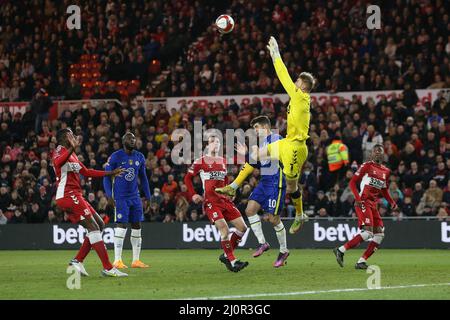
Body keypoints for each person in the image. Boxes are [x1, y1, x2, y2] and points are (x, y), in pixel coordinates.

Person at [253, 36, 314, 234]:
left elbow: (283, 76)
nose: (294, 82)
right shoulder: (298, 98)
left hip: (296, 147)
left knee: (291, 186)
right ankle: (234, 186)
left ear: (303, 85)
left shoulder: (300, 95)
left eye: (298, 81)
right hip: (287, 142)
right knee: (257, 155)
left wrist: (275, 55)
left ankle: (299, 213)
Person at [215, 115, 289, 267]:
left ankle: (283, 250)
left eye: (256, 127)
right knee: (250, 210)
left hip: (276, 181)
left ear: (265, 127)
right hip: (265, 181)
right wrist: (248, 155)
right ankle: (263, 243)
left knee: (273, 219)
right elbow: (256, 164)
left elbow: (274, 156)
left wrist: (251, 153)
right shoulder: (262, 143)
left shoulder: (276, 138)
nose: (255, 131)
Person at [52, 128, 127, 277]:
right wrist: (73, 147)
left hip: (76, 194)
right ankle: (108, 267)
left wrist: (110, 173)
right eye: (71, 134)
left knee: (99, 224)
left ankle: (77, 261)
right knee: (93, 227)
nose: (73, 136)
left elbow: (86, 172)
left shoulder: (72, 154)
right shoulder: (59, 151)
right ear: (65, 137)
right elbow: (58, 163)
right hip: (67, 195)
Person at [184, 134, 249, 272]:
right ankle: (233, 261)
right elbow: (187, 178)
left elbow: (224, 181)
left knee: (243, 228)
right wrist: (193, 194)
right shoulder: (200, 161)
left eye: (218, 142)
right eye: (213, 142)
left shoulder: (223, 161)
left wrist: (229, 191)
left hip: (224, 200)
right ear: (207, 145)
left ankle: (226, 255)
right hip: (211, 202)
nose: (216, 144)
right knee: (224, 229)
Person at [333, 144, 398, 269]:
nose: (378, 152)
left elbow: (384, 190)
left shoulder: (386, 171)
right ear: (371, 154)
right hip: (363, 201)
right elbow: (352, 183)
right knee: (368, 232)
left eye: (380, 151)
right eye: (375, 151)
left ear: (383, 154)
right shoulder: (366, 166)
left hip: (373, 204)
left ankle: (361, 261)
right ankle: (341, 250)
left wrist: (391, 202)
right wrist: (358, 199)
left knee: (379, 234)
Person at [103, 132, 151, 269]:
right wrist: (109, 196)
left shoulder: (139, 157)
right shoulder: (115, 157)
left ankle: (136, 260)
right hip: (120, 197)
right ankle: (117, 260)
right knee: (121, 225)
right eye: (129, 138)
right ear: (123, 141)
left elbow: (144, 178)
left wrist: (148, 197)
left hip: (135, 197)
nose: (132, 140)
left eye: (134, 138)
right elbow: (106, 177)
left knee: (137, 225)